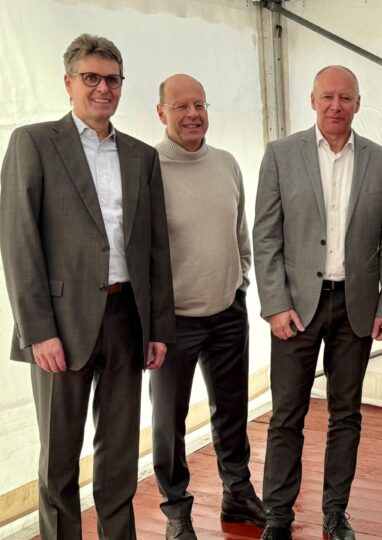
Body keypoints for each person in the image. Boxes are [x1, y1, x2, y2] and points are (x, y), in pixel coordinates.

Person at [0, 33, 176, 538]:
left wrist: (157, 328)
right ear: (68, 82)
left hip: (126, 320)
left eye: (113, 80)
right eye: (91, 78)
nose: (103, 88)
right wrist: (38, 331)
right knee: (59, 459)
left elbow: (156, 249)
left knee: (119, 454)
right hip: (60, 325)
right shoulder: (33, 143)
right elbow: (19, 242)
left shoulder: (141, 156)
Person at [252, 65, 382, 540]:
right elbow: (265, 236)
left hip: (356, 307)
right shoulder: (280, 155)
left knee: (346, 415)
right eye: (328, 97)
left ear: (358, 103)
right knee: (286, 414)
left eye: (345, 97)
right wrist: (274, 304)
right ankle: (278, 515)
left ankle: (335, 514)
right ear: (312, 100)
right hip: (295, 308)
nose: (336, 106)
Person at [150, 74, 266, 539]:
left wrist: (240, 283)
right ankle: (176, 510)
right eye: (181, 106)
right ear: (161, 112)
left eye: (199, 104)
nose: (193, 114)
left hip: (227, 313)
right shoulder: (148, 169)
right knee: (168, 421)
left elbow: (240, 231)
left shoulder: (226, 163)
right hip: (173, 322)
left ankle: (237, 493)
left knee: (232, 411)